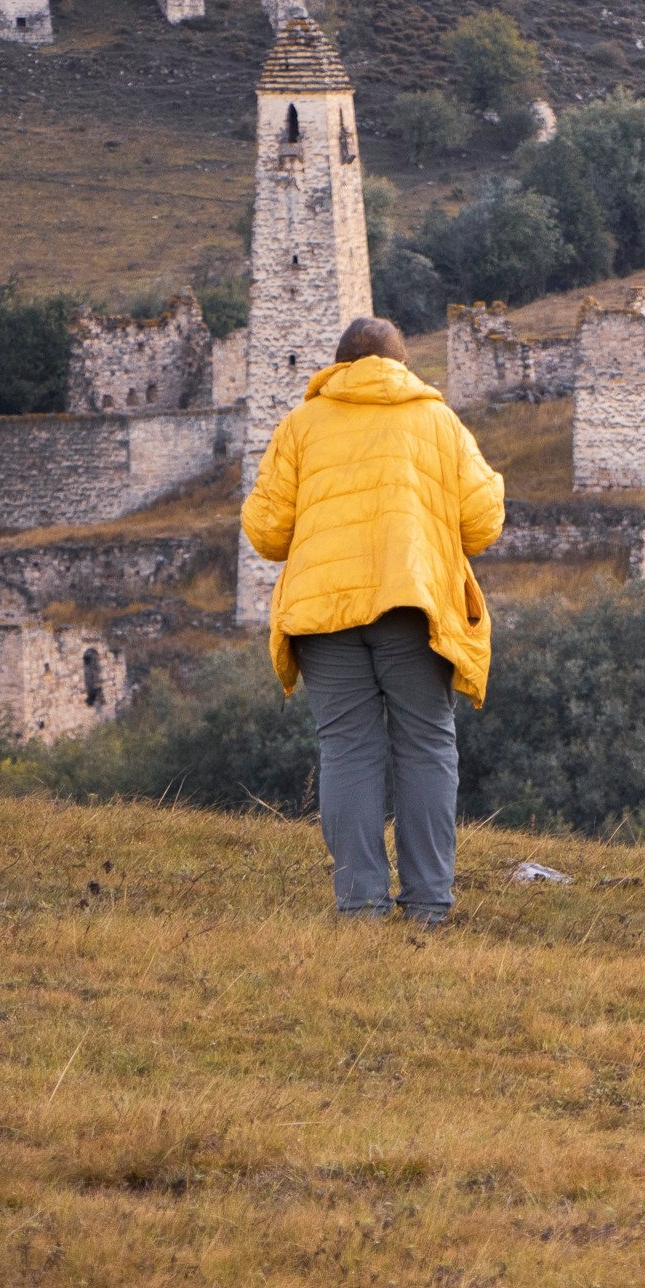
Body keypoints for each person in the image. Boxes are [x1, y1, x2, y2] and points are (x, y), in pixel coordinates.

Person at [241, 316, 505, 925]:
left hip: (323, 610)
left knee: (345, 750)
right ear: (402, 365)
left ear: (338, 367)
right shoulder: (437, 419)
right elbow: (483, 524)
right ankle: (428, 904)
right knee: (426, 745)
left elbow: (267, 534)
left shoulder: (301, 425)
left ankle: (360, 906)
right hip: (413, 604)